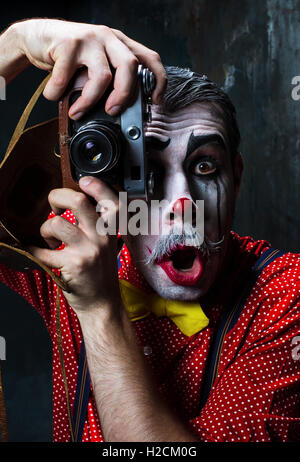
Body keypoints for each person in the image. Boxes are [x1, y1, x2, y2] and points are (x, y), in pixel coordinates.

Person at [0, 18, 299, 443]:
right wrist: (13, 45)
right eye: (150, 173)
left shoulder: (286, 297)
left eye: (204, 166)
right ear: (116, 178)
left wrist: (100, 311)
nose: (182, 207)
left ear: (235, 176)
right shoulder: (73, 247)